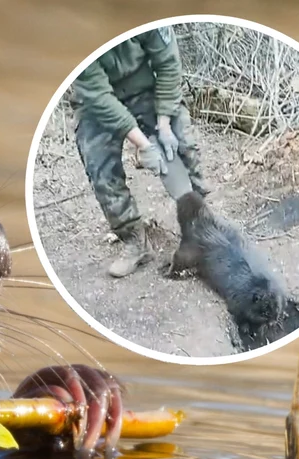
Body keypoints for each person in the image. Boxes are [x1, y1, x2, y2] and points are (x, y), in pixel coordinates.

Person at [72, 25, 207, 278]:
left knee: (183, 141)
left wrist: (164, 124)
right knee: (98, 164)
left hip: (145, 87)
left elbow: (168, 64)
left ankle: (199, 227)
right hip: (97, 102)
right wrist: (144, 144)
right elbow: (99, 97)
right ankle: (135, 242)